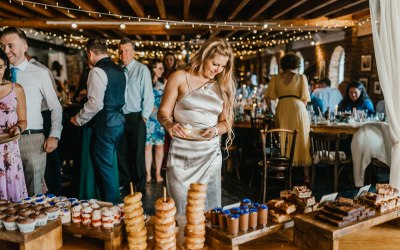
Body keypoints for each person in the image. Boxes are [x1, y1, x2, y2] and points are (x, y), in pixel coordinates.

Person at [158, 38, 236, 214]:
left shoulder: (223, 85)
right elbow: (163, 111)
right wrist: (169, 124)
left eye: (223, 66)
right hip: (181, 153)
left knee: (209, 211)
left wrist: (215, 130)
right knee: (180, 208)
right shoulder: (178, 77)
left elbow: (227, 122)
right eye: (215, 63)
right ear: (203, 57)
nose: (218, 70)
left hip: (210, 154)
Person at [0, 27, 63, 196]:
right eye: (2, 46)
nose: (6, 50)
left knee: (34, 193)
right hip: (4, 143)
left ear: (24, 47)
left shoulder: (40, 73)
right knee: (7, 193)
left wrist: (54, 135)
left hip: (32, 140)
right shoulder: (0, 74)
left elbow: (55, 107)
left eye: (10, 45)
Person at [70, 38, 125, 204]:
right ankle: (112, 207)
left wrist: (77, 119)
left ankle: (112, 210)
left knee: (104, 172)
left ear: (90, 53)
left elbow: (95, 104)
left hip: (104, 126)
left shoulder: (96, 71)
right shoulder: (119, 69)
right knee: (108, 168)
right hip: (118, 123)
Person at [264, 53, 311, 184]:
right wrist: (300, 110)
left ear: (282, 64)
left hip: (282, 108)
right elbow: (305, 99)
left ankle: (282, 171)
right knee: (302, 138)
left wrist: (273, 111)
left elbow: (267, 98)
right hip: (298, 108)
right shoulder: (301, 78)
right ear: (297, 64)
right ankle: (306, 175)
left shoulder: (275, 78)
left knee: (283, 138)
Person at [117, 38, 154, 195]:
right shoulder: (118, 71)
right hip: (120, 117)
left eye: (126, 50)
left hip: (137, 117)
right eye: (121, 51)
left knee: (137, 153)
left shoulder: (142, 69)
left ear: (133, 52)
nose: (123, 54)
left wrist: (144, 117)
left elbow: (148, 95)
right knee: (122, 152)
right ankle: (126, 183)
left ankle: (140, 186)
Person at [0, 48, 28, 202]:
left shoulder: (16, 89)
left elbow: (23, 121)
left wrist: (18, 128)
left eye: (0, 67)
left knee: (12, 201)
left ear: (5, 67)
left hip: (9, 151)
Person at [145, 59, 166, 183]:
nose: (162, 70)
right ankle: (148, 174)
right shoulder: (146, 82)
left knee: (159, 146)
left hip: (159, 119)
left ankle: (157, 172)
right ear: (153, 69)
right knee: (147, 147)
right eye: (159, 68)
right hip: (147, 118)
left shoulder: (164, 82)